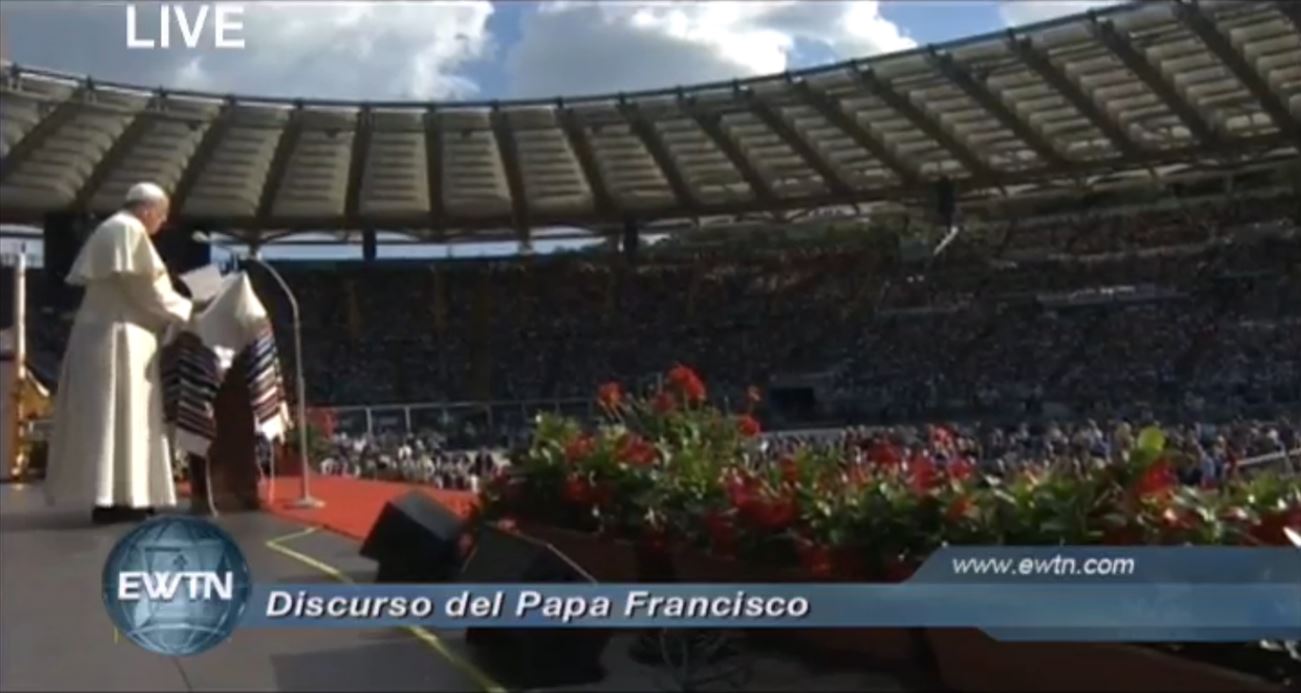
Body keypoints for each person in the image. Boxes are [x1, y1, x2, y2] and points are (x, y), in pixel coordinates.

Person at [44, 183, 194, 524]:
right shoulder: (127, 230)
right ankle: (120, 499)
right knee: (123, 418)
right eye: (162, 216)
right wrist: (189, 308)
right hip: (119, 339)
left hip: (110, 335)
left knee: (116, 421)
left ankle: (123, 496)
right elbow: (147, 290)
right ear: (147, 210)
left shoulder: (110, 229)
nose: (161, 224)